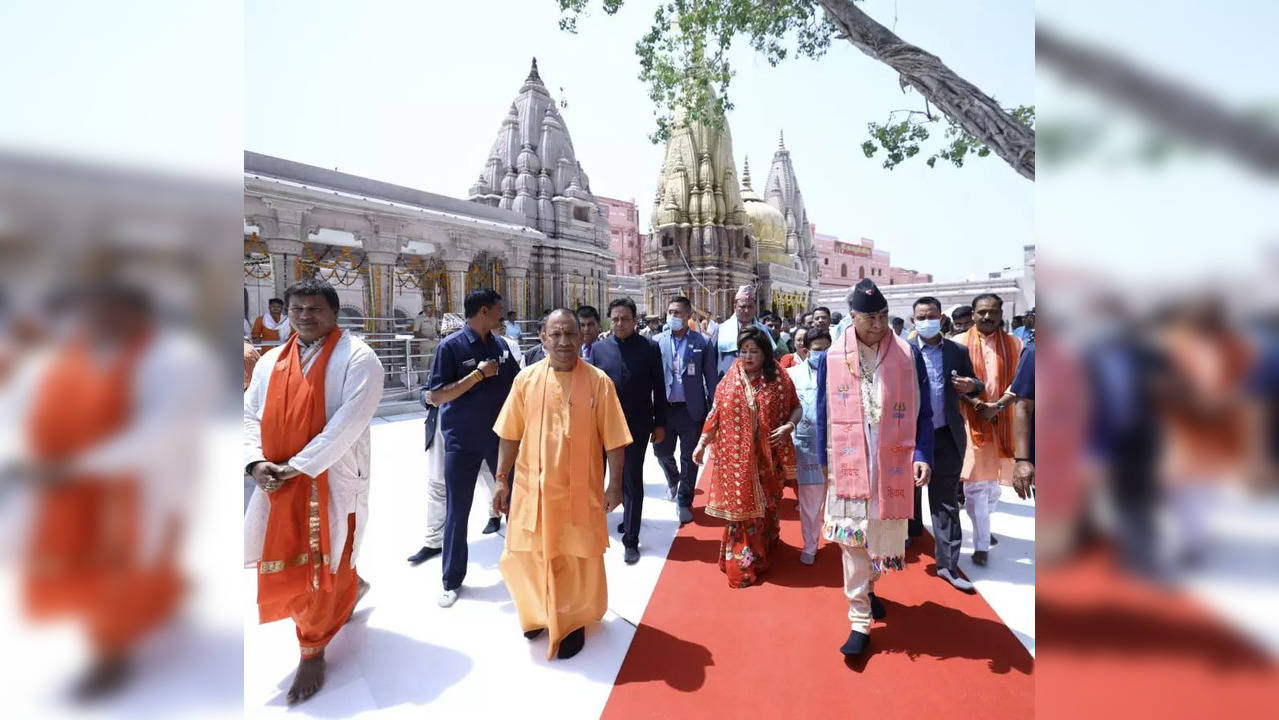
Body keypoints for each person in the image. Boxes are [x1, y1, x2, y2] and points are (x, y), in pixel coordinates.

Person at [9, 284, 210, 701]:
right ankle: (125, 630)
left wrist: (76, 466)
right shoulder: (72, 357)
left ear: (139, 315)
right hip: (76, 486)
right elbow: (30, 407)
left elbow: (162, 433)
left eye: (112, 313)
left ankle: (111, 654)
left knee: (125, 565)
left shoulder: (175, 360)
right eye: (94, 314)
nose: (101, 323)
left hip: (141, 484)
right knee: (95, 567)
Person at [244, 278, 384, 704]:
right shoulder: (271, 362)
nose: (305, 316)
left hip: (331, 476)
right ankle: (351, 589)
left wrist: (297, 467)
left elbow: (349, 423)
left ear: (335, 313)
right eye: (297, 309)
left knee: (326, 560)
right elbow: (250, 413)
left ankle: (313, 649)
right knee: (300, 558)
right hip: (278, 479)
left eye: (315, 309)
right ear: (286, 313)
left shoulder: (359, 358)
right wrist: (255, 462)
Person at [491, 309, 631, 659]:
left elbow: (614, 438)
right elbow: (509, 433)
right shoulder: (526, 379)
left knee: (574, 559)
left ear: (582, 337)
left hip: (577, 492)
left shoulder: (599, 381)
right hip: (530, 490)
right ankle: (537, 613)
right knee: (523, 556)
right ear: (543, 338)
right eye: (556, 334)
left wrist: (615, 485)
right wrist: (500, 479)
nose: (564, 341)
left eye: (570, 334)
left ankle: (571, 621)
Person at [816, 278, 933, 657]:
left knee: (881, 538)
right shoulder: (831, 357)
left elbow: (924, 410)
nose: (879, 325)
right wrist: (824, 460)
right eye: (870, 318)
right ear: (853, 317)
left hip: (891, 462)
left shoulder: (905, 354)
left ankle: (870, 587)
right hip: (847, 463)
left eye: (884, 316)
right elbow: (823, 413)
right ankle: (859, 619)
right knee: (852, 541)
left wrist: (921, 455)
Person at [426, 288, 521, 608]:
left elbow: (518, 388)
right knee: (458, 510)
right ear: (483, 311)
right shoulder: (450, 347)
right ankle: (451, 579)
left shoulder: (501, 346)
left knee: (516, 505)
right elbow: (437, 396)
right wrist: (477, 375)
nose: (501, 316)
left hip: (500, 440)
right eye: (498, 310)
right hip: (461, 442)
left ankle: (524, 569)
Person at [407, 314, 521, 565]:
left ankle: (496, 518)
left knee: (492, 478)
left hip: (483, 429)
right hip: (445, 429)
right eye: (445, 334)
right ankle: (433, 540)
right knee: (438, 486)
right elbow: (430, 391)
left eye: (453, 333)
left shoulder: (494, 351)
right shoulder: (444, 354)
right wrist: (429, 397)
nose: (449, 338)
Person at [693, 327, 800, 588]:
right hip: (737, 464)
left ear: (765, 353)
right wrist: (702, 443)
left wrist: (789, 426)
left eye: (754, 351)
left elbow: (796, 407)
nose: (748, 356)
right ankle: (743, 563)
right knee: (742, 517)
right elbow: (715, 414)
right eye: (744, 351)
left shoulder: (780, 378)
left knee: (768, 511)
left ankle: (765, 550)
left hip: (768, 462)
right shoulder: (730, 379)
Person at [910, 296, 984, 592]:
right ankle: (904, 541)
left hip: (946, 435)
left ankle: (948, 564)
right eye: (920, 316)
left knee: (945, 503)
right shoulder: (902, 350)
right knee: (905, 498)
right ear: (913, 320)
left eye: (931, 315)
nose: (925, 320)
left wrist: (972, 386)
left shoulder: (956, 350)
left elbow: (977, 383)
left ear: (941, 319)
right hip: (910, 439)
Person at [591, 298, 668, 563]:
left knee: (632, 479)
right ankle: (595, 527)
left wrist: (660, 423)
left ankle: (631, 538)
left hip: (637, 424)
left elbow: (659, 386)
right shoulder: (599, 350)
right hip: (601, 426)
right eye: (614, 319)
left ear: (635, 320)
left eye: (625, 319)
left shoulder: (649, 348)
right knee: (597, 476)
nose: (619, 323)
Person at [956, 293, 1023, 567]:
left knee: (994, 487)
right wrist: (977, 404)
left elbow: (1024, 382)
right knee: (976, 487)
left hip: (1005, 422)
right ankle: (982, 543)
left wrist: (998, 406)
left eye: (992, 312)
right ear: (973, 314)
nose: (987, 316)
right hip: (971, 423)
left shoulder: (1016, 345)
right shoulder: (958, 344)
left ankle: (984, 524)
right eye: (981, 312)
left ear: (1000, 314)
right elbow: (952, 383)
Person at [653, 296, 719, 525]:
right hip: (663, 409)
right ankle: (673, 478)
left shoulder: (701, 342)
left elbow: (710, 377)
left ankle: (684, 500)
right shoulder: (657, 342)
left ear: (689, 315)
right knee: (661, 452)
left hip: (691, 410)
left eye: (678, 313)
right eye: (670, 312)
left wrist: (715, 406)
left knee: (690, 457)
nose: (673, 317)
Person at [786, 328, 832, 564]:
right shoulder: (792, 376)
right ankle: (810, 544)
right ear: (805, 351)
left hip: (837, 448)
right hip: (807, 447)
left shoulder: (843, 375)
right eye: (817, 350)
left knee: (837, 499)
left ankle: (839, 538)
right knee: (810, 501)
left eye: (827, 349)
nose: (822, 355)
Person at [710, 286, 775, 378]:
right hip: (727, 385)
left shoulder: (765, 331)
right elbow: (710, 362)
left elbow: (772, 360)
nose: (746, 310)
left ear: (755, 307)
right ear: (734, 307)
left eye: (750, 307)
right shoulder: (721, 330)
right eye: (743, 306)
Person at [412, 304, 440, 381]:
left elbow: (438, 330)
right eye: (430, 307)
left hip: (435, 343)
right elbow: (416, 332)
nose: (432, 309)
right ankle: (423, 381)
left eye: (433, 307)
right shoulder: (419, 318)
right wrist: (426, 337)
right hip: (424, 344)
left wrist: (440, 335)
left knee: (434, 363)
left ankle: (432, 380)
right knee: (424, 363)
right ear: (425, 308)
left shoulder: (435, 318)